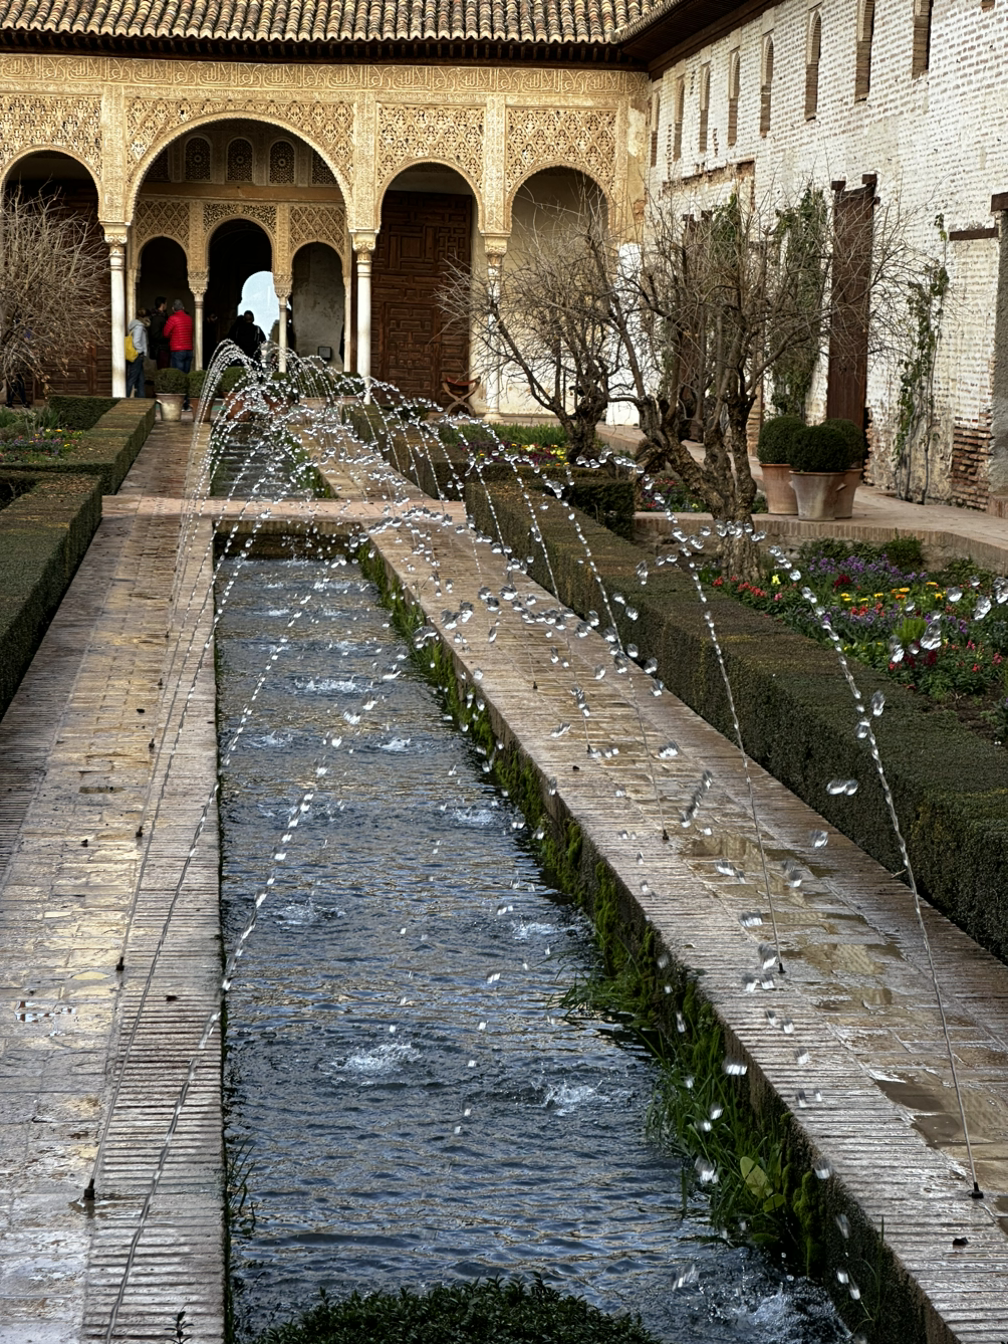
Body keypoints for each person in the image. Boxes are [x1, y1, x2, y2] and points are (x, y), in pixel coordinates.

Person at [163, 298, 194, 408]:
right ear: (183, 308)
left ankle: (179, 403)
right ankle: (186, 403)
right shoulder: (189, 318)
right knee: (186, 377)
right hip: (188, 350)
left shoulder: (173, 319)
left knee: (178, 377)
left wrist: (173, 335)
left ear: (173, 309)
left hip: (177, 350)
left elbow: (165, 333)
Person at [125, 307, 149, 398]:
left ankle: (141, 399)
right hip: (137, 355)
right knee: (132, 379)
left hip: (135, 355)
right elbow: (136, 341)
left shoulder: (134, 325)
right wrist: (141, 351)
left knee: (140, 379)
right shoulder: (139, 326)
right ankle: (125, 398)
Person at [148, 297, 169, 369]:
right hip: (160, 348)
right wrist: (167, 337)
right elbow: (155, 334)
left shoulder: (161, 316)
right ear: (162, 304)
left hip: (162, 347)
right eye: (166, 304)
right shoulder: (157, 318)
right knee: (163, 368)